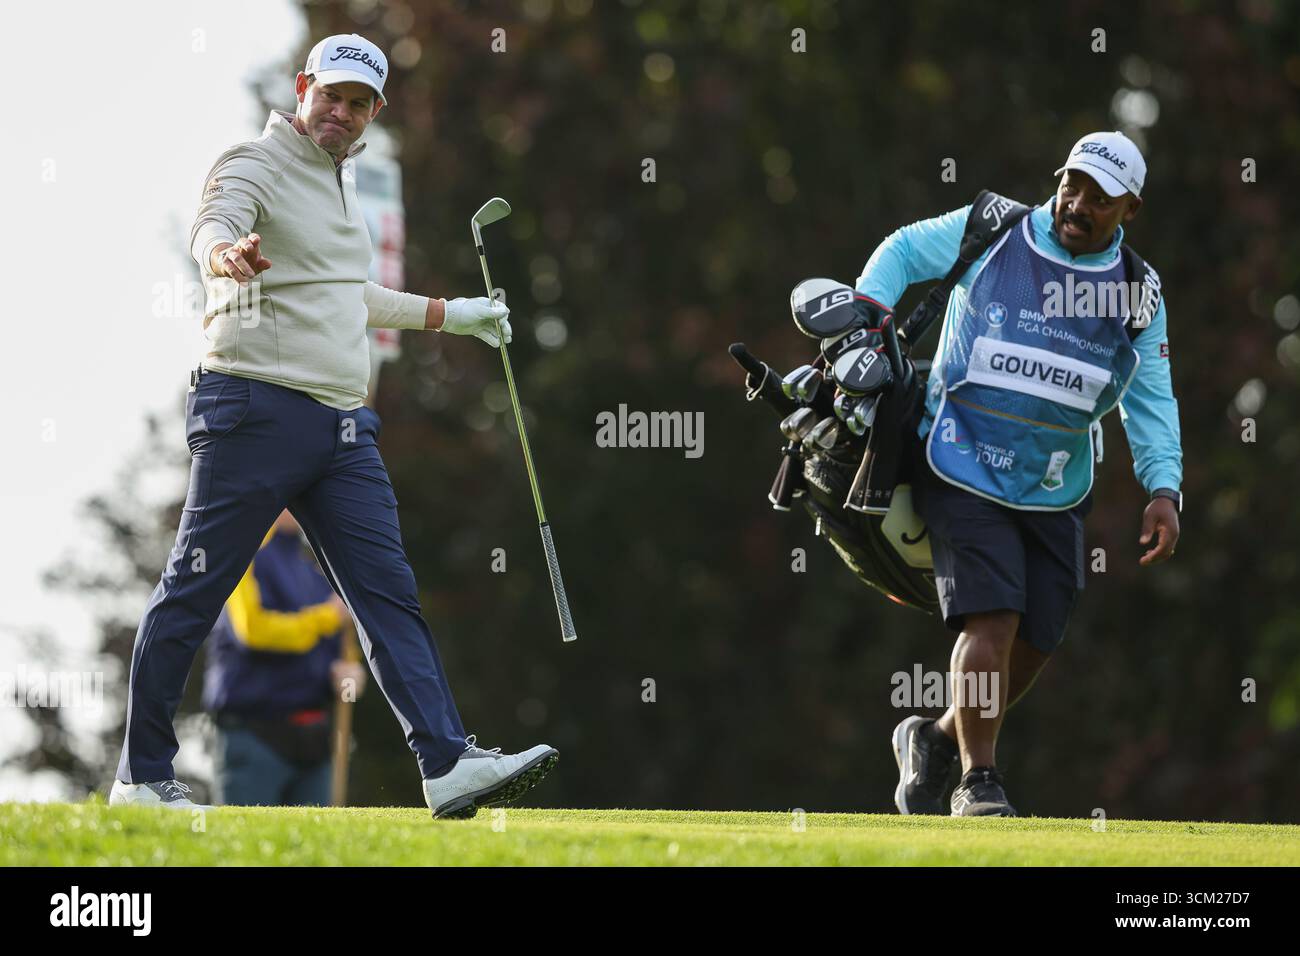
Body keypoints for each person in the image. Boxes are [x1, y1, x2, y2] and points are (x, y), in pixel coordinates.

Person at [109, 34, 558, 818]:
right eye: (332, 96)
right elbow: (212, 226)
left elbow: (351, 294)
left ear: (373, 113)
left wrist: (457, 316)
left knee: (388, 593)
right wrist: (227, 257)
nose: (340, 114)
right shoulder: (255, 161)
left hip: (342, 429)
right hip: (252, 407)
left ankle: (446, 761)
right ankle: (142, 777)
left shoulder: (339, 184)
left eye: (359, 105)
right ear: (304, 86)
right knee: (195, 587)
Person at [856, 132, 1183, 816]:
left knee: (1039, 633)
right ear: (1058, 179)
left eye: (1100, 198)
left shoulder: (1135, 292)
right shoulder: (997, 227)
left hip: (1054, 480)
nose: (1078, 205)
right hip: (959, 455)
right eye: (1073, 185)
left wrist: (1163, 487)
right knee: (994, 618)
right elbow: (902, 251)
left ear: (1130, 210)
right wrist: (866, 328)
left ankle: (938, 738)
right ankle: (978, 782)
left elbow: (1151, 393)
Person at [202, 510, 365, 807]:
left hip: (315, 742)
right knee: (245, 849)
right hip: (252, 735)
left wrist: (349, 677)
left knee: (319, 850)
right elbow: (253, 631)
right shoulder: (242, 557)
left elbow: (340, 658)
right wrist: (327, 617)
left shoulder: (317, 575)